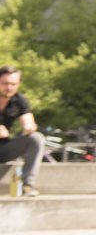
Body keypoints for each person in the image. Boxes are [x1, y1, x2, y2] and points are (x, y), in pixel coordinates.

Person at [0, 65, 46, 197]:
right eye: (5, 83)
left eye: (13, 84)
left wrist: (28, 127)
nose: (9, 88)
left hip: (3, 149)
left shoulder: (19, 100)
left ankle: (27, 185)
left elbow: (29, 122)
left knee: (36, 138)